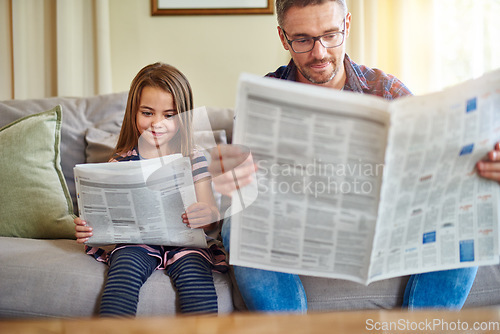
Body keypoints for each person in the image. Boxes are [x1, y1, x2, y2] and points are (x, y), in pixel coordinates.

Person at [209, 0, 495, 312]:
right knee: (235, 223)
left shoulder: (385, 90)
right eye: (303, 40)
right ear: (283, 37)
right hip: (298, 228)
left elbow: (439, 164)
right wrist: (227, 177)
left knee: (464, 213)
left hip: (381, 228)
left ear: (347, 25)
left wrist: (482, 165)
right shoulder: (263, 95)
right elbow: (241, 185)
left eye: (330, 35)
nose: (319, 53)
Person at [75, 62, 226, 317]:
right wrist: (89, 228)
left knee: (196, 280)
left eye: (169, 115)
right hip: (137, 242)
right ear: (133, 112)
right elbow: (106, 220)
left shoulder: (194, 158)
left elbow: (211, 217)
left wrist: (207, 216)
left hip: (185, 242)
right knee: (122, 276)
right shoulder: (120, 162)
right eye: (147, 113)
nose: (157, 123)